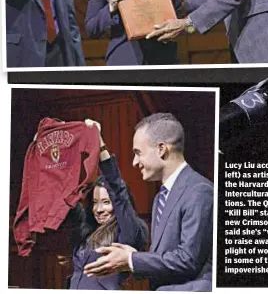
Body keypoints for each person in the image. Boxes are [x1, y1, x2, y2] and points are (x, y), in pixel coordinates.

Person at [83, 113, 213, 291]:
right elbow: (163, 259)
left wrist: (130, 259)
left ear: (161, 149)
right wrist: (131, 257)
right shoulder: (161, 197)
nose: (135, 162)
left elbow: (188, 260)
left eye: (138, 153)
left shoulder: (199, 190)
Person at [69, 119, 148, 289]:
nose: (98, 209)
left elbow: (117, 190)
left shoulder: (129, 231)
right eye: (95, 203)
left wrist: (100, 143)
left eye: (106, 202)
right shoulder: (88, 229)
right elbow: (68, 199)